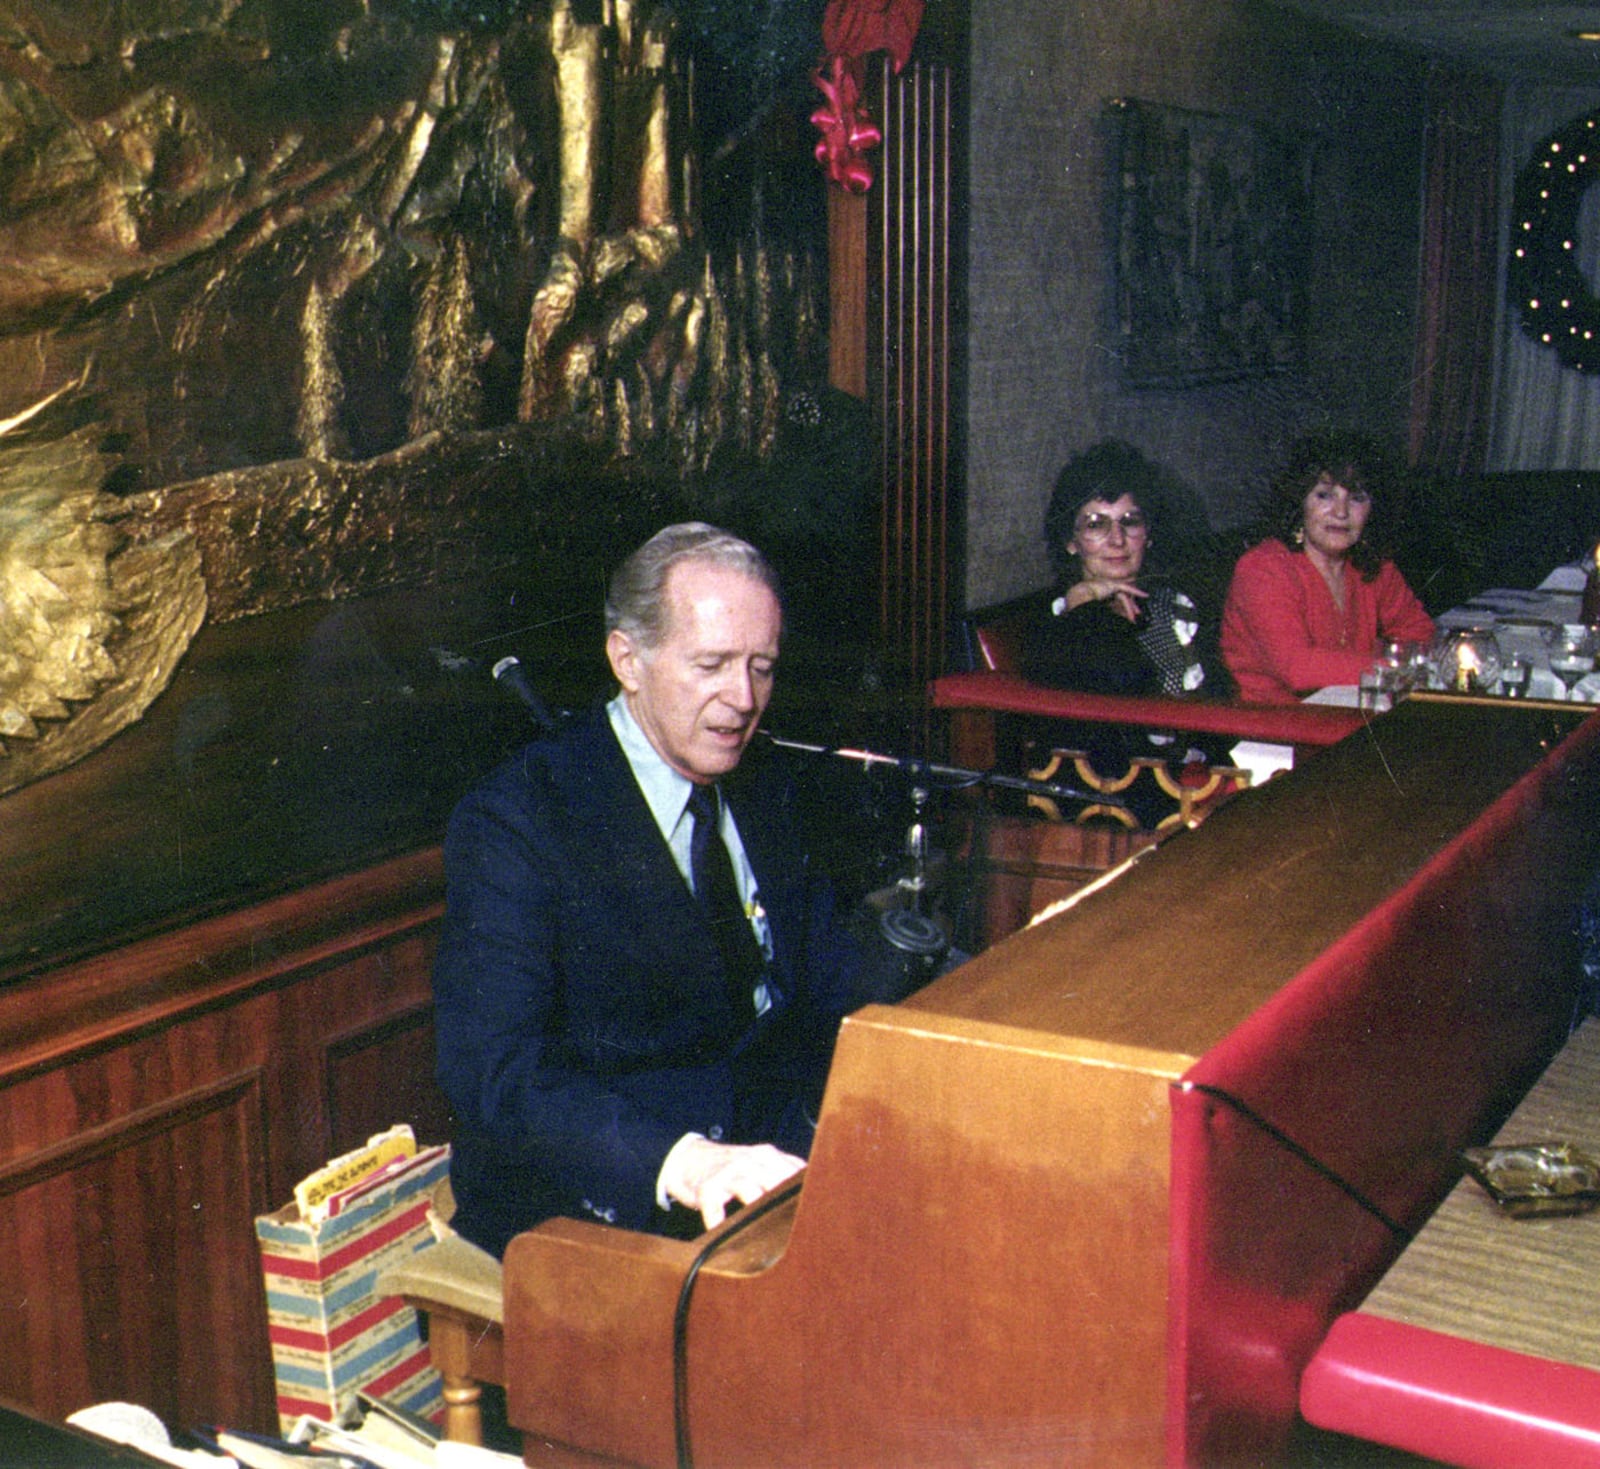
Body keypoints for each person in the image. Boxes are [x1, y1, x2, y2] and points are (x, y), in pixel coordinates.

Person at [433, 522, 878, 1256]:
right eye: (712, 664)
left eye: (762, 667)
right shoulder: (519, 817)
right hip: (606, 1200)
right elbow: (495, 1071)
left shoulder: (762, 781)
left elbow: (826, 974)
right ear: (627, 659)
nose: (743, 698)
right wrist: (685, 1162)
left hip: (768, 1159)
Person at [1220, 432, 1434, 704]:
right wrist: (1391, 667)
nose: (1341, 512)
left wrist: (1392, 664)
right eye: (1324, 496)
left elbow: (1420, 632)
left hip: (1349, 714)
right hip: (1272, 727)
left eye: (1356, 498)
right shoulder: (1263, 567)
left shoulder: (1372, 564)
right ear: (1299, 502)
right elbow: (1297, 668)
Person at [1021, 441, 1217, 699]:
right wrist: (1084, 600)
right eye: (1095, 525)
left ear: (1148, 534)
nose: (1117, 539)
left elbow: (1216, 701)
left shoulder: (1175, 606)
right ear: (1070, 541)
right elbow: (1120, 686)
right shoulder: (1056, 623)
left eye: (1130, 522)